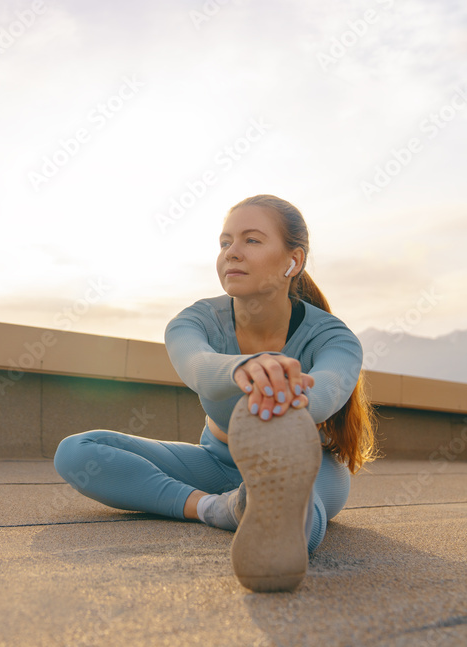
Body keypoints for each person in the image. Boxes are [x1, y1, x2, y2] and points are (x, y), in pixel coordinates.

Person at [53, 194, 377, 591]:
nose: (232, 253)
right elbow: (198, 368)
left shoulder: (333, 336)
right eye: (226, 243)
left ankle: (265, 503)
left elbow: (329, 389)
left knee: (298, 526)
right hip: (217, 462)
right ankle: (218, 508)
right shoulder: (196, 320)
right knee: (77, 451)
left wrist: (288, 396)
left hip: (310, 466)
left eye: (252, 241)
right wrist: (243, 367)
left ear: (293, 260)